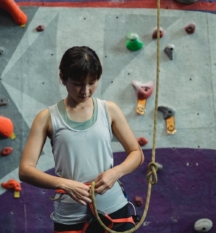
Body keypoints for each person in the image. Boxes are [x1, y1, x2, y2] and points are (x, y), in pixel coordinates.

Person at [19, 46, 144, 232]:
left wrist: (115, 173)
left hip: (114, 208)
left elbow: (137, 153)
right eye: (78, 83)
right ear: (63, 78)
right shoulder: (47, 118)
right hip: (71, 215)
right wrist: (65, 183)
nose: (85, 91)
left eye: (92, 83)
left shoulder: (108, 110)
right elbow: (25, 170)